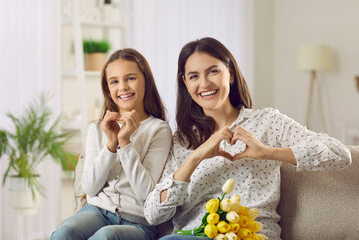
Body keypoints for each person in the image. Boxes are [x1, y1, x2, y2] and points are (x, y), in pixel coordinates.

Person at [144, 37, 352, 240]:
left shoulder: (268, 122)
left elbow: (339, 154)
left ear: (231, 74)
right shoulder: (181, 140)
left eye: (213, 71)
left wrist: (267, 152)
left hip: (250, 235)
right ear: (185, 83)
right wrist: (195, 158)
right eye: (194, 76)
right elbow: (153, 214)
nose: (204, 83)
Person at [51, 48, 172, 240]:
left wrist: (124, 143)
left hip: (138, 222)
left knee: (106, 236)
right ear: (108, 89)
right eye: (114, 81)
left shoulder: (158, 130)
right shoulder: (97, 129)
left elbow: (146, 193)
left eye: (130, 78)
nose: (122, 87)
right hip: (96, 212)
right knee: (65, 232)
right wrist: (111, 144)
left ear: (146, 81)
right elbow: (89, 188)